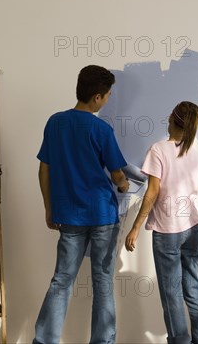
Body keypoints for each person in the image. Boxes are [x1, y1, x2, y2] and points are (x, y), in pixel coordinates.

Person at [33, 65, 129, 344]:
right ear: (97, 97)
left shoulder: (55, 122)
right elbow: (117, 173)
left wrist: (49, 208)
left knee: (61, 281)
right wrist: (123, 185)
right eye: (108, 95)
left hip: (69, 216)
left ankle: (44, 341)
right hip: (102, 215)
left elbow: (43, 170)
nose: (108, 100)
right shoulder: (101, 129)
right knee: (102, 284)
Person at [125, 101, 198, 344]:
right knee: (193, 289)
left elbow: (152, 192)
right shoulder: (191, 150)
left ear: (172, 118)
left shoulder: (158, 149)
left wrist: (135, 227)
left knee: (172, 293)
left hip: (168, 231)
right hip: (192, 227)